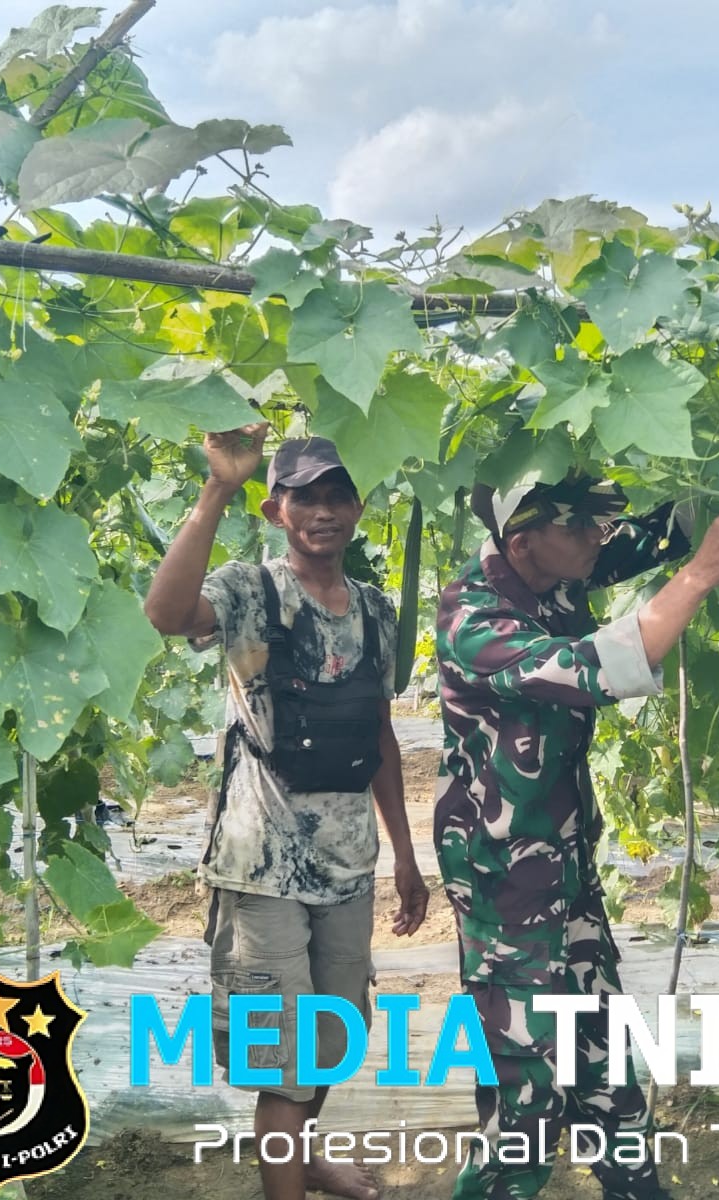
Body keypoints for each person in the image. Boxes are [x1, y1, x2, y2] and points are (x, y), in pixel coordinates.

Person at [434, 475, 719, 1200]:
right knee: (526, 1089)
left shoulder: (558, 560)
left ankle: (636, 1189)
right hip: (502, 880)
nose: (599, 538)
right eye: (582, 528)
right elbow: (603, 666)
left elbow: (663, 532)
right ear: (522, 540)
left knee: (601, 1053)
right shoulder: (474, 618)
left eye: (598, 526)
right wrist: (700, 576)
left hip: (563, 865)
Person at [145, 426, 429, 1200]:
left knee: (333, 1042)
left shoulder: (373, 609)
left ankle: (305, 1160)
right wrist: (217, 488)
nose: (325, 511)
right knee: (283, 1058)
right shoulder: (249, 591)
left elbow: (379, 734)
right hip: (261, 868)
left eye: (338, 495)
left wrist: (405, 854)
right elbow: (167, 613)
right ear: (278, 511)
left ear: (357, 508)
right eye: (307, 497)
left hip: (348, 864)